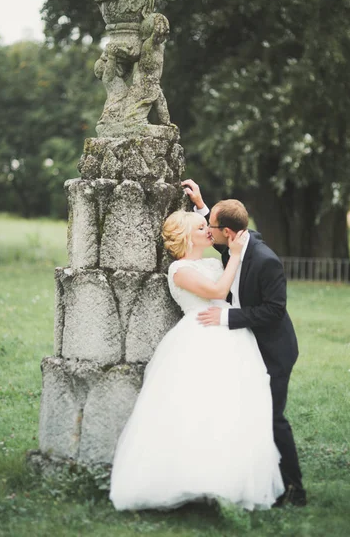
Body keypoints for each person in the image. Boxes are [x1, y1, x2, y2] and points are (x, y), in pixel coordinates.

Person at [110, 210, 284, 511]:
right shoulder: (179, 270)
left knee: (231, 407)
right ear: (185, 236)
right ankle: (187, 479)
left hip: (230, 334)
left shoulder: (213, 261)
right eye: (201, 227)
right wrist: (237, 257)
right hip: (199, 336)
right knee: (195, 407)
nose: (208, 230)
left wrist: (211, 217)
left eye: (207, 225)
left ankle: (227, 479)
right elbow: (217, 291)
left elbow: (229, 284)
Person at [181, 179, 306, 507]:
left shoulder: (265, 260)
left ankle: (294, 490)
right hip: (248, 348)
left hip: (274, 350)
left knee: (272, 416)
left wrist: (226, 318)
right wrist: (201, 205)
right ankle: (258, 477)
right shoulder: (236, 244)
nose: (209, 232)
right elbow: (221, 242)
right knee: (249, 413)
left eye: (212, 227)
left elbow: (275, 310)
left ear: (229, 233)